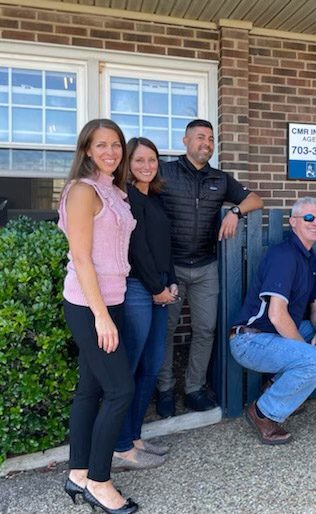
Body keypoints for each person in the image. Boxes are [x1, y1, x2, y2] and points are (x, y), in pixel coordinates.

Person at [156, 119, 263, 417]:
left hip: (205, 266)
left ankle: (194, 389)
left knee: (205, 329)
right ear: (185, 140)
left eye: (211, 139)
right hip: (170, 267)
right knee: (165, 329)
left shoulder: (220, 178)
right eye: (200, 137)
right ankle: (164, 389)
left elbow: (256, 199)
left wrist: (235, 211)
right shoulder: (164, 173)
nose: (206, 143)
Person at [58, 119, 138, 513]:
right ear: (87, 150)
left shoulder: (112, 190)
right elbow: (81, 258)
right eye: (101, 145)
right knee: (121, 390)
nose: (111, 152)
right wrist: (101, 317)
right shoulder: (82, 192)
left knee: (91, 389)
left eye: (116, 145)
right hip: (90, 304)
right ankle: (99, 482)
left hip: (114, 299)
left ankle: (77, 473)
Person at [229, 197, 316, 444]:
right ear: (293, 222)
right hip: (251, 340)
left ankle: (275, 386)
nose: (315, 223)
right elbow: (276, 314)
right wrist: (307, 351)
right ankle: (263, 412)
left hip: (276, 335)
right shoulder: (284, 256)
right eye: (309, 218)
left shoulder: (310, 258)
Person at [112, 138, 178, 471]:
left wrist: (171, 281)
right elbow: (137, 248)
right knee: (131, 367)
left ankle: (135, 437)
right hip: (139, 289)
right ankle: (121, 446)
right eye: (139, 160)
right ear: (127, 163)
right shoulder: (128, 197)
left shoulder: (154, 198)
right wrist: (156, 286)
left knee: (151, 365)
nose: (147, 166)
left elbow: (165, 245)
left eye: (152, 160)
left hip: (160, 288)